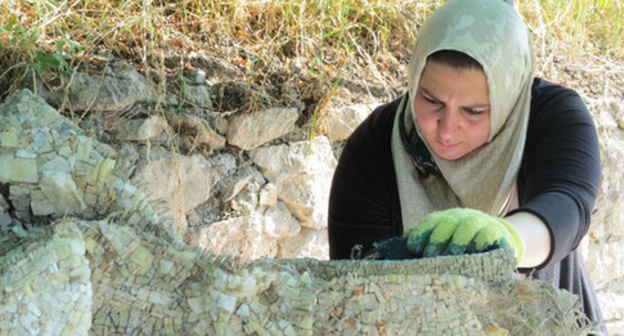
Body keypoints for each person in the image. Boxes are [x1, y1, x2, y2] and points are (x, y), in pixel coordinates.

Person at [327, 0, 607, 333]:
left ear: (508, 98)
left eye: (474, 111)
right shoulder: (375, 147)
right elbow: (357, 290)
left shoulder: (551, 116)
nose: (446, 130)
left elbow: (568, 204)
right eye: (431, 101)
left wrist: (509, 238)